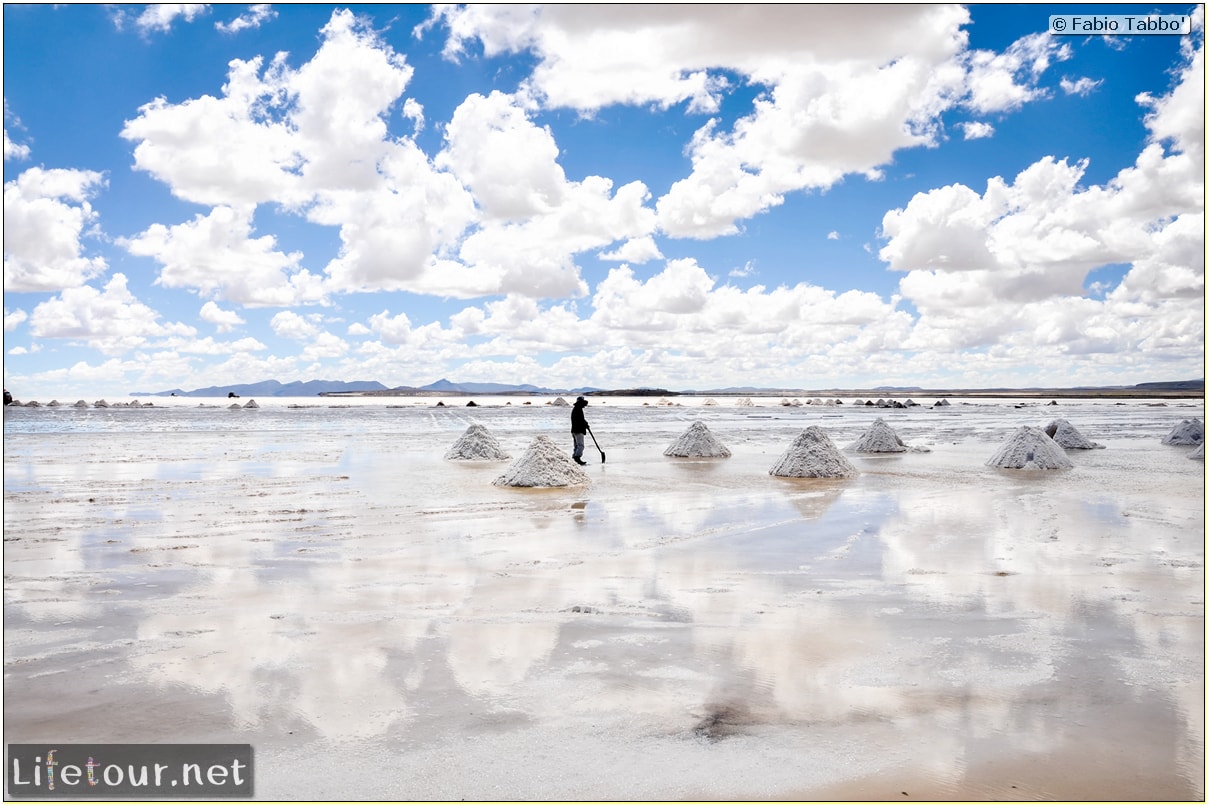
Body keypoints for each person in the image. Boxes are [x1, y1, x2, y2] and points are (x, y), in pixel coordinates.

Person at [571, 396, 590, 465]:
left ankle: (574, 458)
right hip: (578, 430)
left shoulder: (576, 409)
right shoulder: (578, 409)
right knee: (580, 445)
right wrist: (585, 424)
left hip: (574, 430)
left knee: (576, 445)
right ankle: (577, 458)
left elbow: (581, 419)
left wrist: (586, 424)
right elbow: (580, 420)